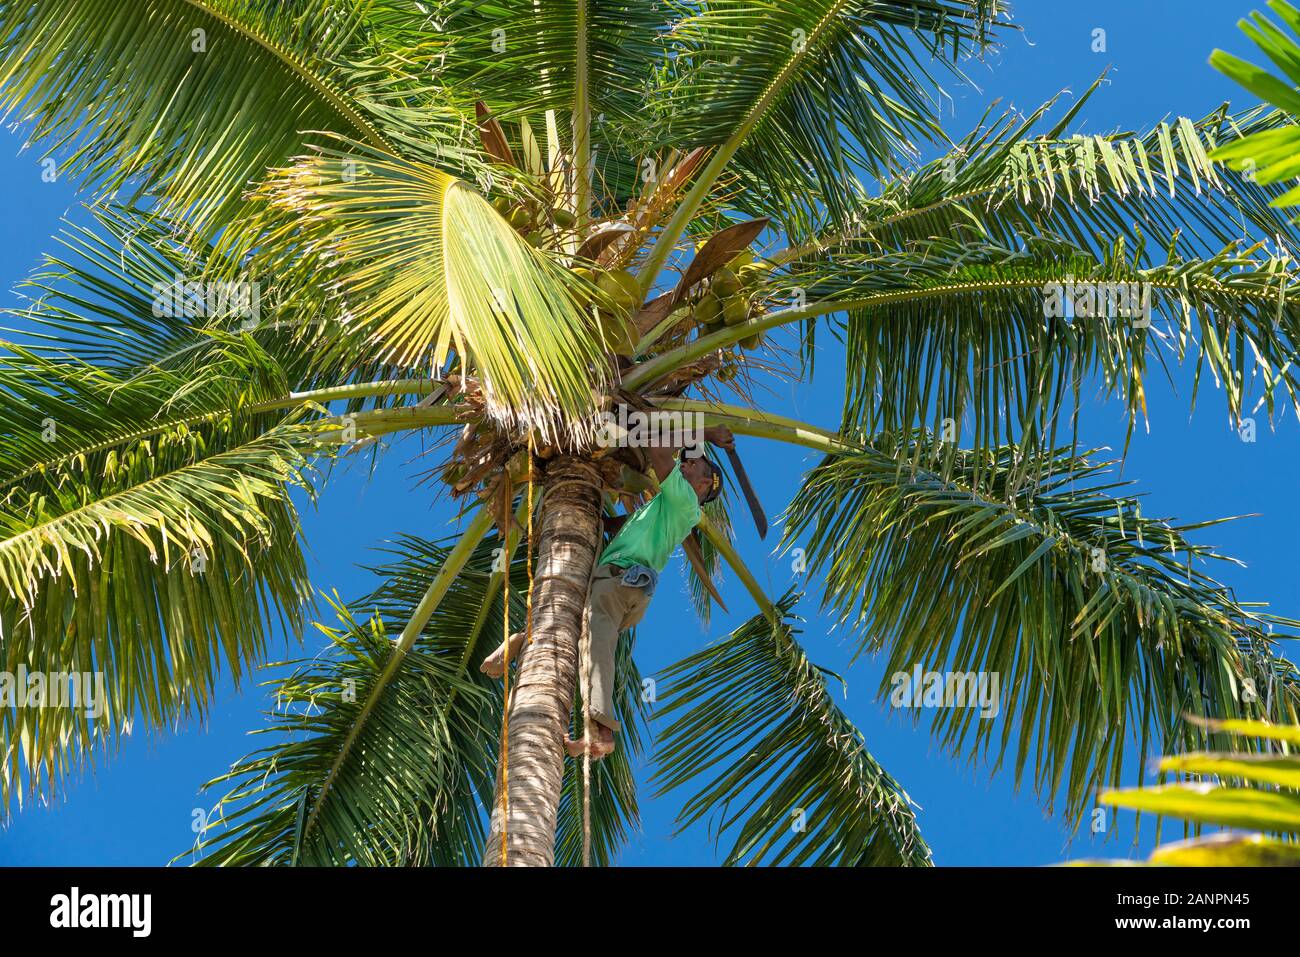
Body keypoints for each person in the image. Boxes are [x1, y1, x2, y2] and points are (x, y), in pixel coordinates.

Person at [481, 424, 736, 759]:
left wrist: (705, 434)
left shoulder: (686, 500)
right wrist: (584, 509)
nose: (685, 464)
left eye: (693, 465)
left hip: (621, 583)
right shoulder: (667, 506)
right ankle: (524, 639)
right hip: (617, 584)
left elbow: (658, 448)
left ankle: (601, 731)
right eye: (687, 462)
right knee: (568, 624)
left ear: (705, 484)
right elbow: (626, 526)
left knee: (597, 642)